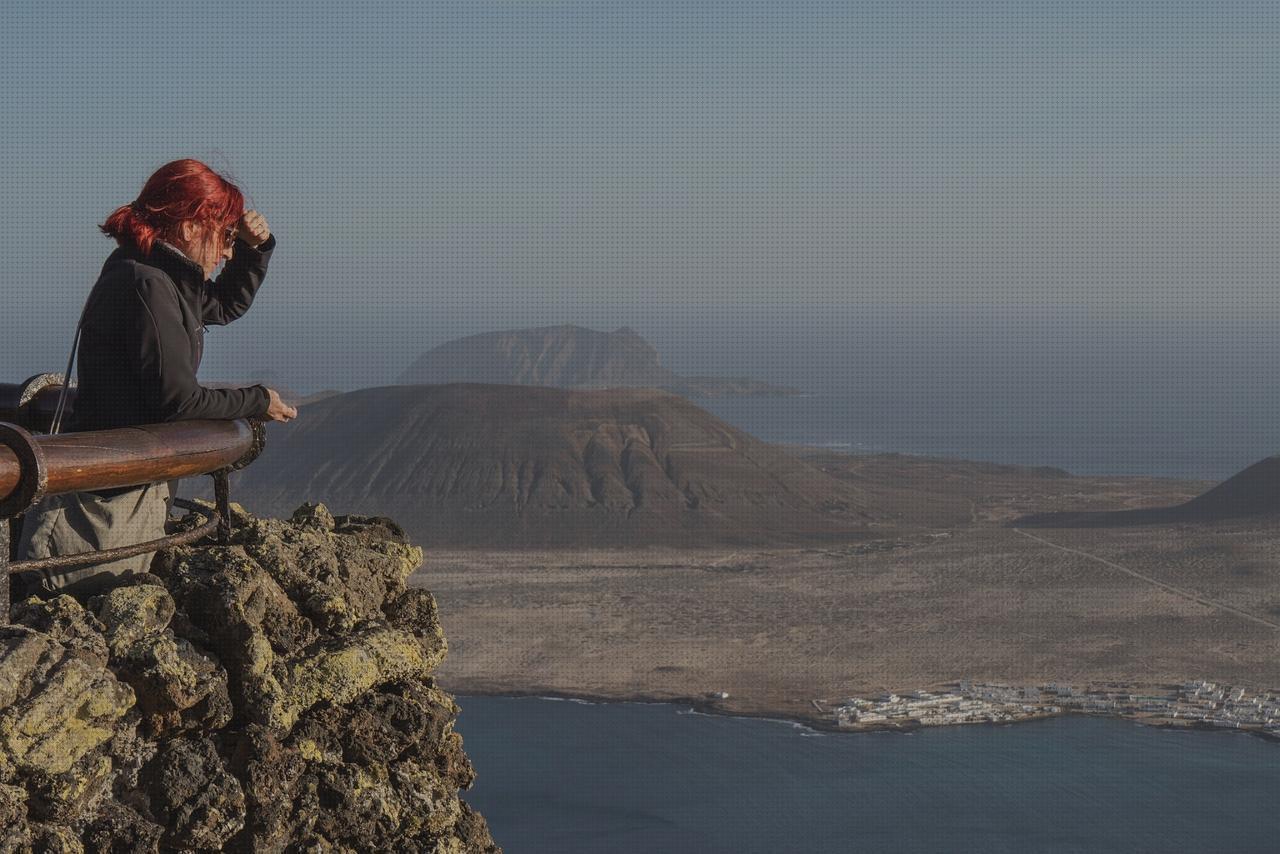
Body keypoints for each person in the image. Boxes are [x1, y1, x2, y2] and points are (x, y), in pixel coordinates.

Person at [13, 158, 297, 599]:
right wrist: (257, 400)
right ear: (187, 228)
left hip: (117, 486)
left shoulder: (155, 272)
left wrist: (254, 248)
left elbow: (222, 305)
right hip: (106, 500)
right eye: (224, 237)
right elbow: (178, 402)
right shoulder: (146, 284)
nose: (227, 252)